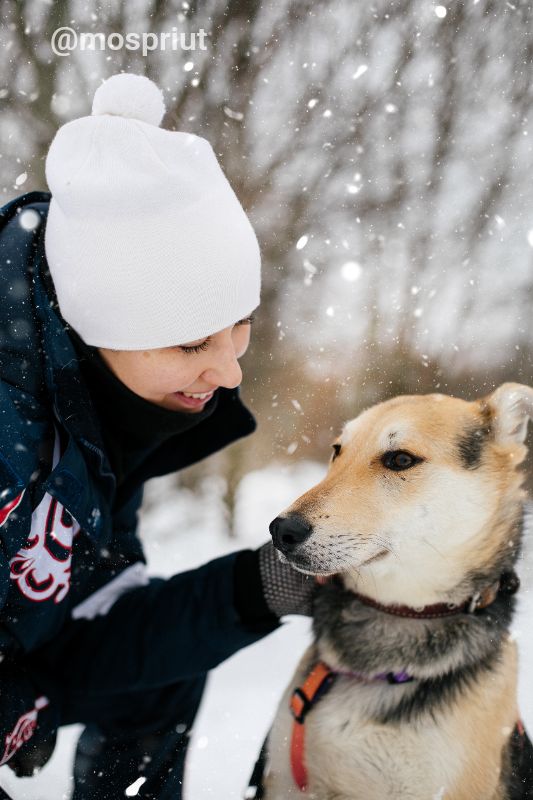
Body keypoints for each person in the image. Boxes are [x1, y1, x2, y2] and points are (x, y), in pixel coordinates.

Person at [0, 72, 314, 799]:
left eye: (240, 325)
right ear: (97, 324)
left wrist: (261, 588)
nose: (228, 371)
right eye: (188, 343)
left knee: (162, 677)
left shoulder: (104, 412)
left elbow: (99, 635)